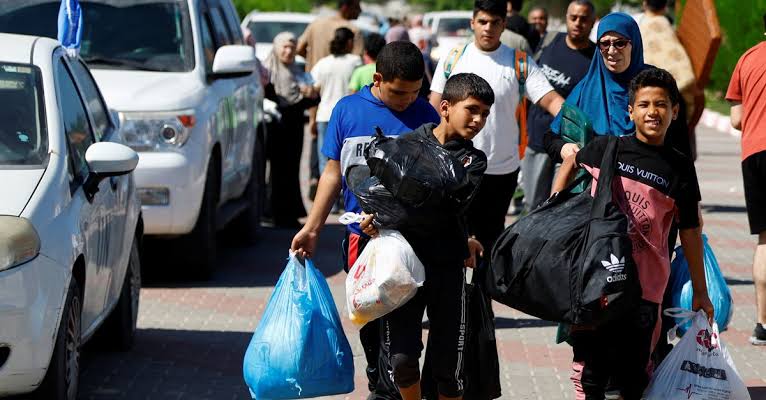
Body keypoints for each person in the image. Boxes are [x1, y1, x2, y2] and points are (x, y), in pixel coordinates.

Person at [552, 67, 714, 400]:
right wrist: (554, 210)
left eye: (661, 104)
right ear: (631, 111)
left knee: (634, 375)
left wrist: (700, 290)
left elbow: (691, 231)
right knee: (592, 372)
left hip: (647, 289)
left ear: (674, 111)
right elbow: (570, 163)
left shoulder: (679, 166)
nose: (652, 112)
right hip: (599, 283)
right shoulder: (607, 148)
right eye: (643, 104)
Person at [290, 41, 440, 398]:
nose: (407, 101)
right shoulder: (348, 111)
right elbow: (331, 174)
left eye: (416, 92)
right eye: (399, 92)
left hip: (411, 241)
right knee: (369, 316)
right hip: (362, 239)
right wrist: (312, 228)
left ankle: (392, 384)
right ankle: (379, 375)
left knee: (404, 320)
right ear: (377, 78)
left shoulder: (427, 116)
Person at [362, 72, 491, 400]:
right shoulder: (404, 144)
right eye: (472, 109)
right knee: (403, 362)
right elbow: (373, 190)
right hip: (401, 271)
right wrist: (375, 217)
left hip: (448, 270)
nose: (479, 120)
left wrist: (395, 210)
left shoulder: (473, 161)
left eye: (485, 114)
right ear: (445, 107)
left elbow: (446, 207)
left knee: (449, 372)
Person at [430, 0, 563, 251]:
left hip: (500, 170)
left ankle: (484, 290)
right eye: (482, 22)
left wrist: (579, 127)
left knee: (490, 242)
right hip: (454, 166)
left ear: (504, 25)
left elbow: (551, 100)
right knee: (450, 238)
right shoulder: (454, 58)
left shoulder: (519, 63)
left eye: (494, 22)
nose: (488, 28)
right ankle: (456, 291)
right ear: (473, 23)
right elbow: (434, 104)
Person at [544, 12, 650, 163]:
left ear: (634, 44)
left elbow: (678, 148)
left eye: (620, 43)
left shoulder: (655, 84)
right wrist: (564, 148)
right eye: (605, 44)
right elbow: (551, 137)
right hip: (596, 182)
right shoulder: (586, 88)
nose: (612, 51)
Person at [523, 0, 596, 212]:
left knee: (559, 206)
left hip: (567, 146)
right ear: (566, 18)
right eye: (573, 17)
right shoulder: (549, 41)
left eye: (584, 19)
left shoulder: (595, 60)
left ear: (592, 23)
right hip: (536, 139)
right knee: (532, 206)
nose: (577, 23)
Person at [727, 16, 766, 345]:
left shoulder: (748, 57)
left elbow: (737, 118)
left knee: (765, 239)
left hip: (753, 153)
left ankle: (762, 324)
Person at [263, 32, 318, 228]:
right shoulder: (268, 71)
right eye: (284, 47)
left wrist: (310, 94)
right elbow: (273, 101)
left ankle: (289, 213)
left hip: (294, 129)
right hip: (276, 129)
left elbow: (307, 100)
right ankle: (273, 212)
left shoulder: (298, 71)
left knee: (291, 171)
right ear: (276, 47)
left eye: (292, 48)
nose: (288, 51)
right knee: (277, 171)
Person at [636, 0, 696, 157]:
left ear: (644, 4)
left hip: (643, 101)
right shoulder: (665, 26)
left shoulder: (639, 29)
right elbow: (684, 72)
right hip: (671, 101)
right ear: (664, 6)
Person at [311, 27, 362, 175]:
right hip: (347, 117)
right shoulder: (355, 62)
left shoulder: (323, 63)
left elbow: (313, 88)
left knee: (325, 161)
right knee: (345, 159)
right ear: (349, 42)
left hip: (324, 115)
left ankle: (327, 195)